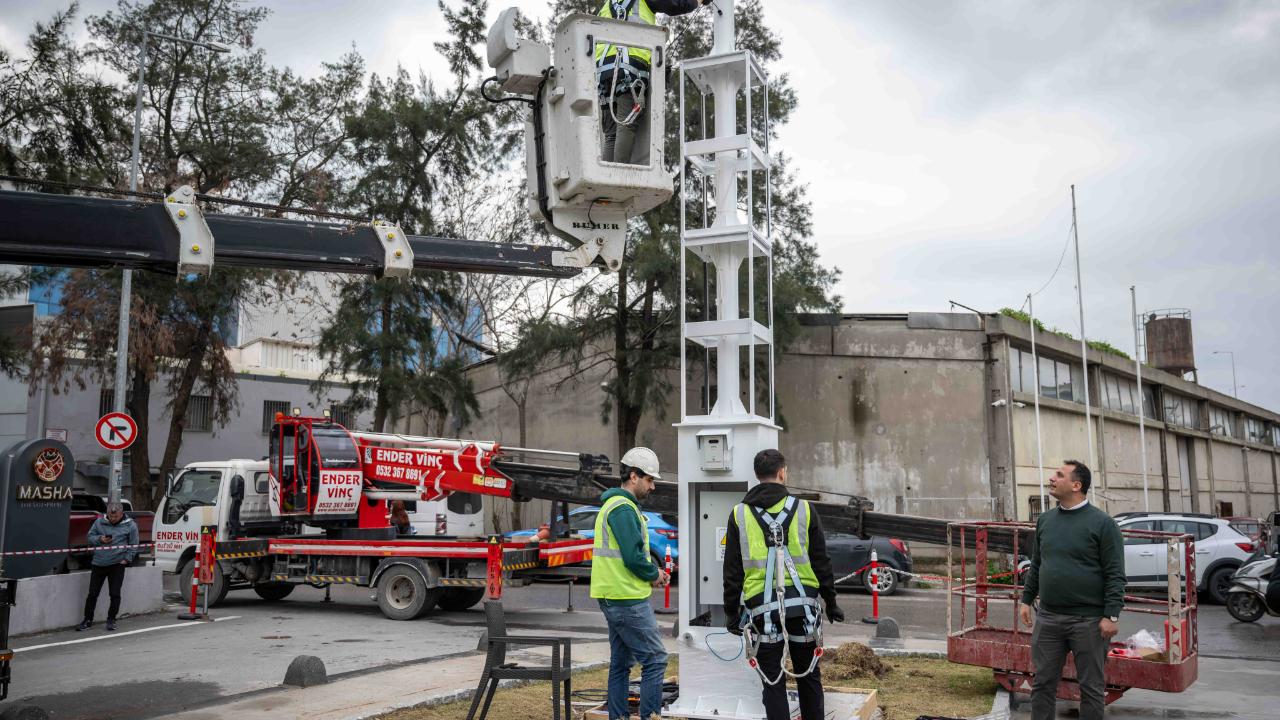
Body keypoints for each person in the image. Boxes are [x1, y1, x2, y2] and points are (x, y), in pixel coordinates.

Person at [723, 449, 843, 720]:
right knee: (809, 675)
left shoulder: (739, 514)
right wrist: (831, 602)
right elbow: (821, 560)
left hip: (762, 610)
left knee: (773, 681)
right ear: (782, 472)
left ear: (757, 475)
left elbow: (732, 571)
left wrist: (732, 613)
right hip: (803, 608)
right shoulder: (804, 509)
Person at [1019, 461, 1124, 720]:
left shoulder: (1103, 524)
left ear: (1076, 485)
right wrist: (1026, 599)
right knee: (1042, 683)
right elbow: (1038, 563)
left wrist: (1111, 615)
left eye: (1059, 475)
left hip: (1088, 621)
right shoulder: (1045, 520)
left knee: (1091, 688)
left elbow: (1115, 574)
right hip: (1049, 618)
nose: (1051, 478)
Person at [590, 446, 670, 720]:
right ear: (633, 476)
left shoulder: (615, 505)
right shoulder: (623, 508)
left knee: (621, 664)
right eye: (650, 479)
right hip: (626, 598)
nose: (653, 486)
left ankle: (619, 716)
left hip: (614, 594)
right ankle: (651, 716)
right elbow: (634, 558)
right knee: (656, 659)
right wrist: (655, 574)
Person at [596, 0, 705, 164]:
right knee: (626, 124)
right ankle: (617, 179)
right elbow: (674, 4)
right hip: (627, 68)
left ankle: (605, 183)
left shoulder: (609, 4)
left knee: (611, 134)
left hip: (604, 71)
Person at [77, 502, 139, 632]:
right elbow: (89, 537)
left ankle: (111, 620)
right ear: (107, 514)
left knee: (115, 594)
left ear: (121, 514)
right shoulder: (99, 522)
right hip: (98, 563)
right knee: (93, 594)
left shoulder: (130, 525)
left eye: (115, 517)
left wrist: (127, 559)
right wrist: (100, 539)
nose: (113, 519)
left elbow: (134, 544)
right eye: (111, 517)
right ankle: (87, 620)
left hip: (117, 564)